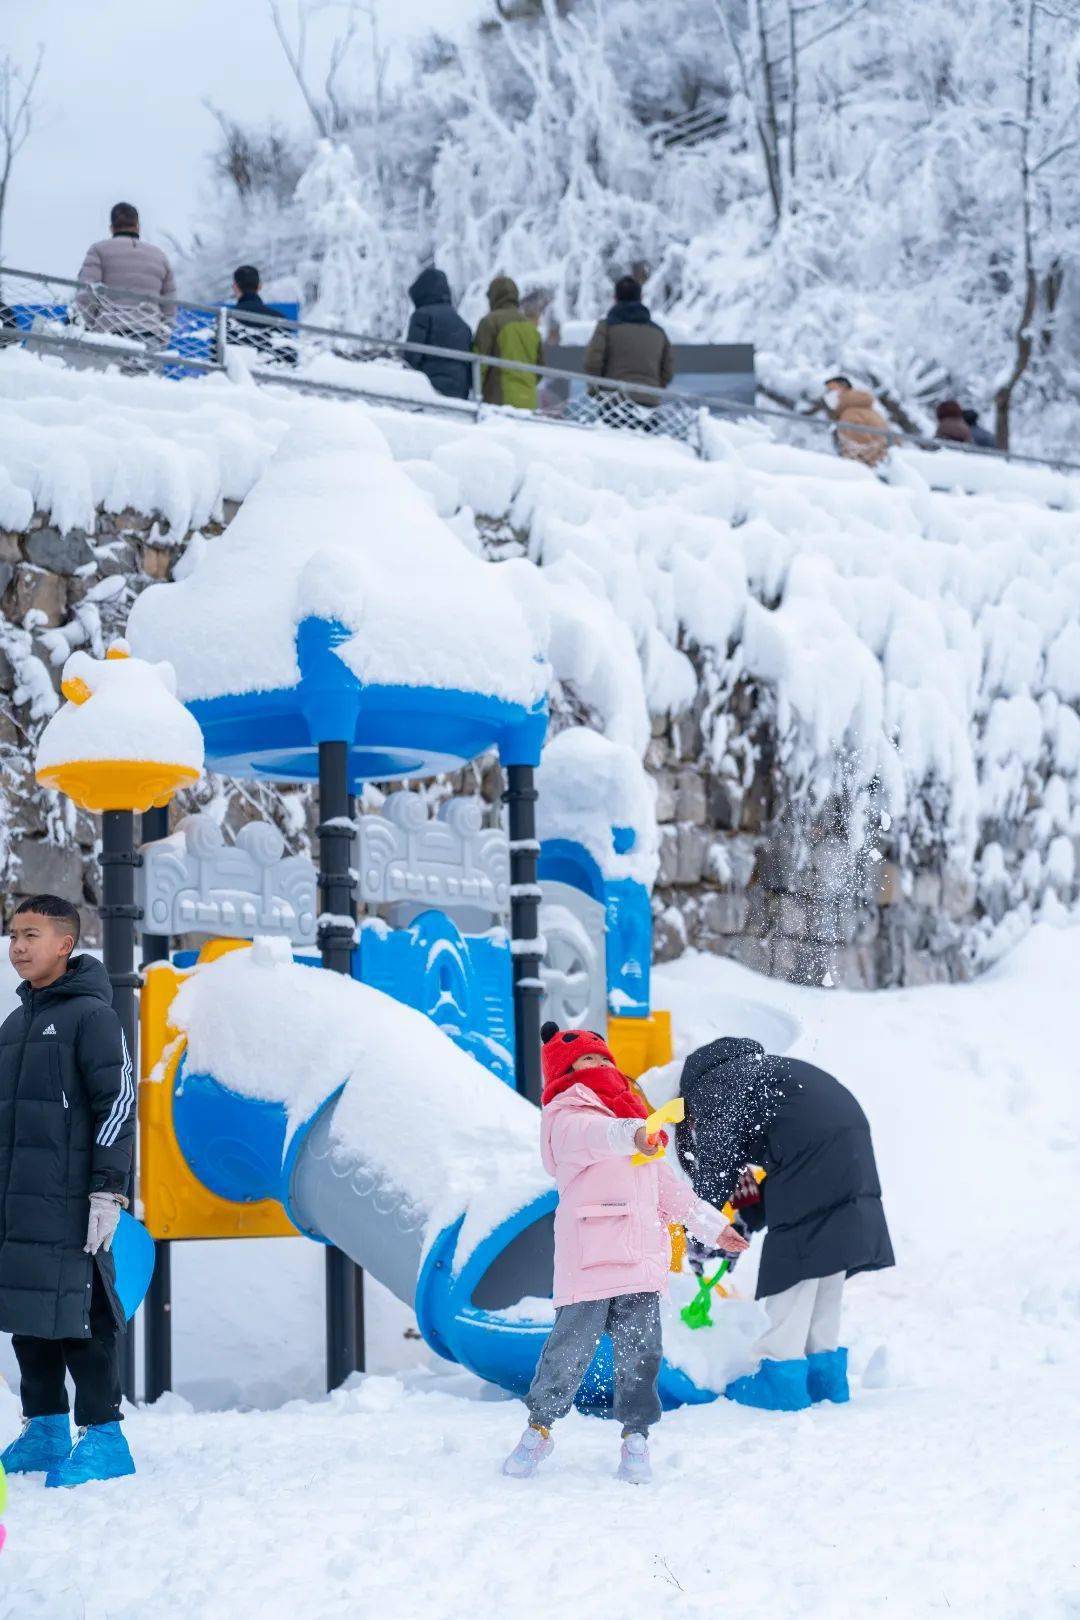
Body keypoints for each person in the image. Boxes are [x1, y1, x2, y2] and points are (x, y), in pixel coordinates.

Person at [502, 1022, 747, 1484]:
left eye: (600, 1060)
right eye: (584, 1062)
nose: (595, 1067)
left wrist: (715, 1228)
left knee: (642, 1355)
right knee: (567, 1352)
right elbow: (595, 1136)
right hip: (590, 1261)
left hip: (639, 1262)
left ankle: (636, 1439)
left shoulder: (633, 1117)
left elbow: (668, 1191)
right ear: (565, 1072)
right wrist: (635, 1132)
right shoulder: (566, 1116)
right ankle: (539, 1429)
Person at [675, 1037, 893, 1412]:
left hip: (812, 1152)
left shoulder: (714, 1085)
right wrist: (745, 1219)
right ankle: (824, 1377)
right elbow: (777, 1162)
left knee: (798, 1256)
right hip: (848, 1141)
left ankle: (781, 1378)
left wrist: (701, 1229)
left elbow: (716, 1164)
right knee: (826, 1261)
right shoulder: (760, 1072)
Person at [0, 895, 136, 1488]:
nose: (18, 946)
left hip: (76, 1198)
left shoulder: (92, 1016)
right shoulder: (16, 1022)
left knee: (80, 1315)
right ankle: (47, 1427)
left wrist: (108, 1191)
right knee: (28, 1312)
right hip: (20, 1198)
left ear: (65, 943)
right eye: (12, 935)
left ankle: (105, 1436)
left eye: (31, 934)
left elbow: (119, 1103)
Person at [76, 202, 175, 342]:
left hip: (110, 335)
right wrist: (164, 334)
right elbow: (170, 302)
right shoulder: (160, 256)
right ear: (138, 226)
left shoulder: (98, 250)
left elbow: (87, 293)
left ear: (111, 228)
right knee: (144, 364)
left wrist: (83, 326)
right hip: (149, 334)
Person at [583, 275, 674, 422]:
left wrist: (597, 392)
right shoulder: (658, 332)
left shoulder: (606, 327)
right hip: (648, 406)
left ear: (615, 298)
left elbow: (592, 363)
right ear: (641, 298)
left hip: (613, 403)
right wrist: (651, 390)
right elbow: (667, 371)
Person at [473, 276, 542, 410]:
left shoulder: (490, 322)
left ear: (493, 297)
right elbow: (540, 367)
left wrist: (476, 392)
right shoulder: (531, 328)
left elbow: (479, 364)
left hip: (499, 401)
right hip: (528, 402)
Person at [404, 267, 473, 400]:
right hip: (459, 392)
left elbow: (412, 355)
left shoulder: (423, 315)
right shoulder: (462, 324)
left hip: (430, 387)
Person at [226, 264, 295, 363]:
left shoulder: (226, 320)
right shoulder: (280, 320)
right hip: (272, 375)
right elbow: (291, 358)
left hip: (238, 375)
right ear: (260, 286)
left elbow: (216, 357)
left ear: (235, 287)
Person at [824, 374, 891, 468]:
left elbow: (863, 446)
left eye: (831, 389)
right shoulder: (866, 409)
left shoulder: (850, 414)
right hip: (880, 465)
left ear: (843, 388)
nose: (828, 394)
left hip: (869, 468)